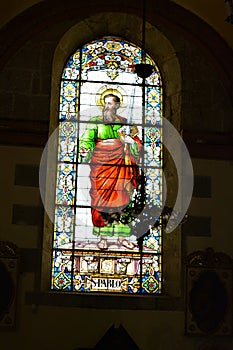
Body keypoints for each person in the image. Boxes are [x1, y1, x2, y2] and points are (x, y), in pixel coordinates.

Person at [79, 93, 142, 250]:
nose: (107, 106)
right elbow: (86, 140)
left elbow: (137, 144)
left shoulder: (125, 124)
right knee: (101, 202)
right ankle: (103, 238)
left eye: (110, 104)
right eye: (105, 103)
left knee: (124, 200)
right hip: (101, 169)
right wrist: (85, 149)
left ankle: (122, 238)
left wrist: (131, 142)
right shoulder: (94, 123)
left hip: (122, 168)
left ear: (117, 106)